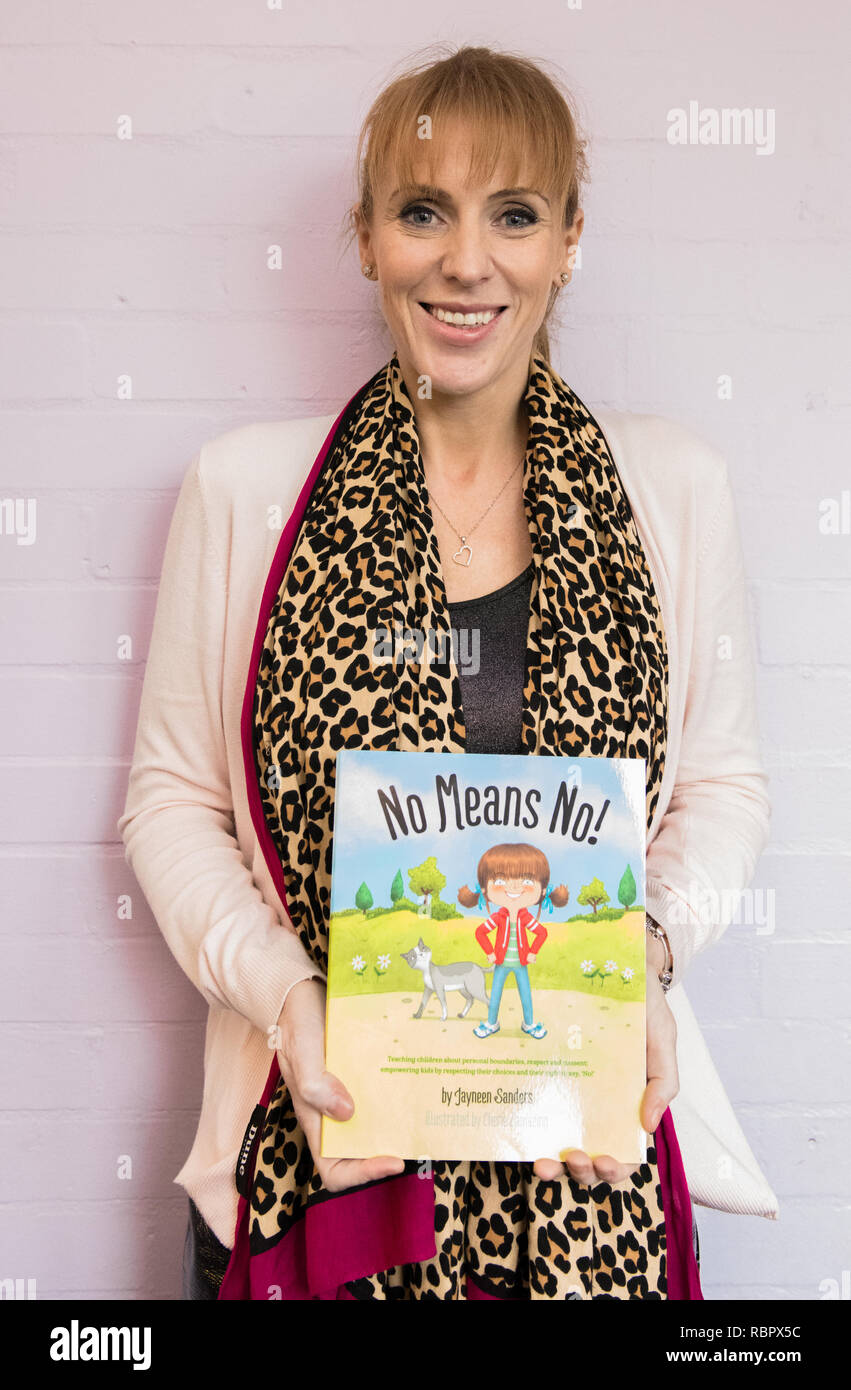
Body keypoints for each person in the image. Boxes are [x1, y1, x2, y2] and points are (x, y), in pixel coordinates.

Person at [118, 43, 777, 1302]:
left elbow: (725, 786)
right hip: (325, 1151)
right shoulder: (247, 489)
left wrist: (638, 957)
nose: (465, 262)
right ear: (366, 238)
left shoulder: (672, 489)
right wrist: (290, 1000)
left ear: (568, 240)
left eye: (513, 215)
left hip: (591, 1174)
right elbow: (171, 802)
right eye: (423, 211)